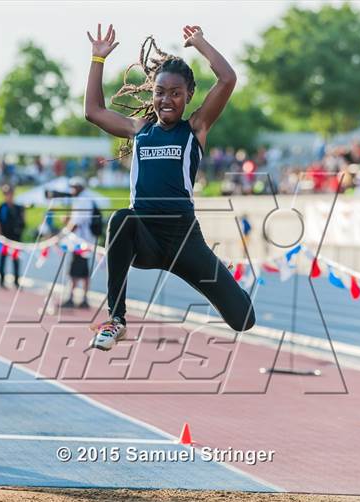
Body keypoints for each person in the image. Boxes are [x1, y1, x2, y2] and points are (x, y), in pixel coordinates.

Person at [85, 23, 255, 350]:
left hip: (183, 241)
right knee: (121, 219)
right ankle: (116, 319)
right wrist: (97, 59)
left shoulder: (196, 128)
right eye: (160, 92)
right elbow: (93, 111)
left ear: (188, 96)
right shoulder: (139, 130)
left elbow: (228, 78)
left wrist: (201, 43)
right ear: (152, 93)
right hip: (145, 238)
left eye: (175, 93)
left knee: (244, 319)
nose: (166, 99)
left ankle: (227, 276)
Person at [60, 177, 102, 309]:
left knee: (75, 271)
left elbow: (76, 223)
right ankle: (83, 298)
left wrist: (62, 233)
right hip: (85, 241)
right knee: (83, 271)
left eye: (75, 186)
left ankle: (73, 298)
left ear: (80, 187)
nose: (72, 189)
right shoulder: (86, 199)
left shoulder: (82, 201)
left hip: (80, 242)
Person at [0, 184, 25, 288]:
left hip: (15, 238)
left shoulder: (18, 208)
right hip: (4, 238)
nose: (9, 195)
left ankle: (16, 281)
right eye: (6, 194)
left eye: (10, 193)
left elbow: (22, 222)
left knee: (16, 259)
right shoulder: (1, 207)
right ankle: (1, 280)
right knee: (3, 258)